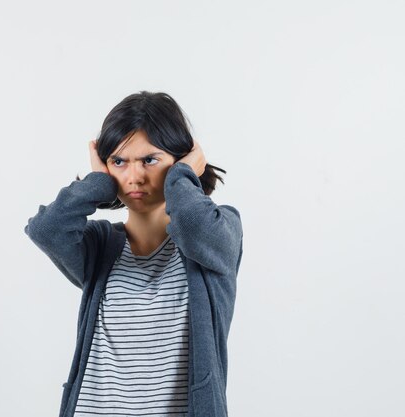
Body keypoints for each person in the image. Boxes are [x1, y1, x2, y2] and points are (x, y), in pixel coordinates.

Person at [24, 91, 244, 417]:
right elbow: (46, 229)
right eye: (119, 161)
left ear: (182, 159)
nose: (134, 176)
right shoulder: (100, 246)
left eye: (150, 160)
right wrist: (98, 182)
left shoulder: (219, 231)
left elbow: (194, 223)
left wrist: (183, 176)